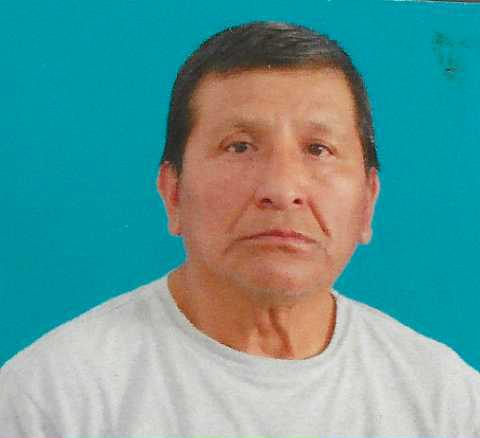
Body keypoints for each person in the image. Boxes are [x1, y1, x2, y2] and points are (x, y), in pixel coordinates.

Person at [1, 21, 479, 437]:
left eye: (318, 149)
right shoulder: (50, 400)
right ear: (173, 192)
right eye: (240, 147)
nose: (282, 189)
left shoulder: (448, 403)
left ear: (368, 201)